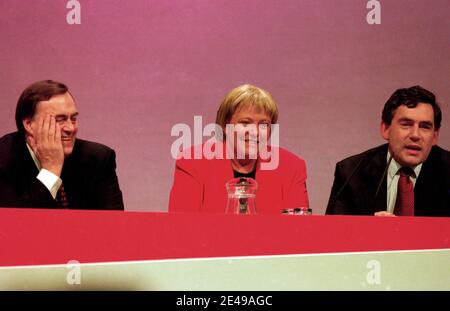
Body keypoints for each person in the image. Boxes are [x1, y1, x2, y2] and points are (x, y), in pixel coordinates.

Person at [169, 84, 309, 213]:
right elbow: (182, 228)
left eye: (263, 124)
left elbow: (299, 231)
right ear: (225, 125)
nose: (255, 131)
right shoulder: (193, 162)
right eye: (245, 123)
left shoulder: (291, 167)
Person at [326, 85, 450, 217]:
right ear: (385, 129)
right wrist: (369, 231)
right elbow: (332, 232)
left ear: (435, 136)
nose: (415, 135)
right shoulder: (352, 172)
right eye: (406, 124)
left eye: (425, 127)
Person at [0, 80, 124, 210]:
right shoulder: (3, 160)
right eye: (60, 120)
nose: (70, 128)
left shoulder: (98, 160)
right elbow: (12, 226)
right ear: (29, 124)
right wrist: (50, 171)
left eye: (73, 119)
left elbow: (115, 226)